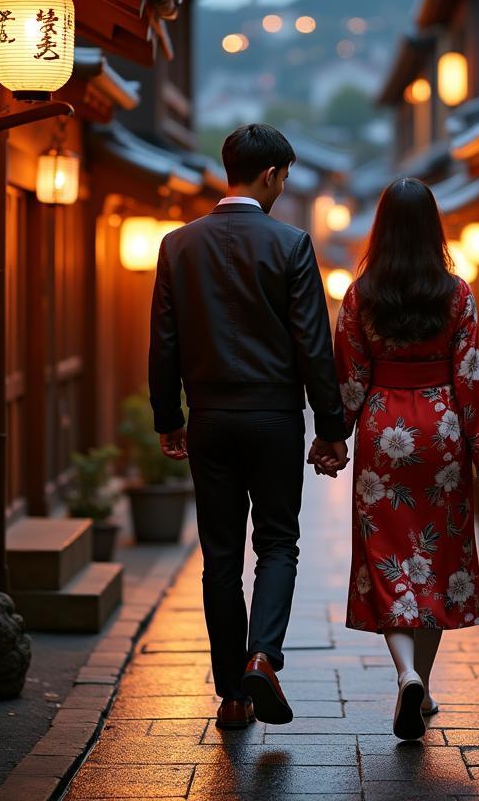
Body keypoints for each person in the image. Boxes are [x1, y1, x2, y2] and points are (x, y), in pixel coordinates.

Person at [148, 123, 348, 731]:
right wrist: (331, 426)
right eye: (284, 178)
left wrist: (168, 417)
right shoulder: (290, 244)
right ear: (270, 175)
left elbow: (164, 341)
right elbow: (313, 344)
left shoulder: (178, 245)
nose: (284, 187)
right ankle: (263, 654)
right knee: (278, 543)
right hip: (275, 418)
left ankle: (232, 696)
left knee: (219, 557)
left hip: (209, 416)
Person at [310, 177, 479, 741]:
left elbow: (347, 375)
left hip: (384, 434)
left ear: (380, 229)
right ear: (432, 228)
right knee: (435, 559)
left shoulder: (361, 295)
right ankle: (422, 680)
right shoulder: (457, 293)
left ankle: (404, 676)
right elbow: (471, 378)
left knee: (389, 557)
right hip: (442, 429)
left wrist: (333, 438)